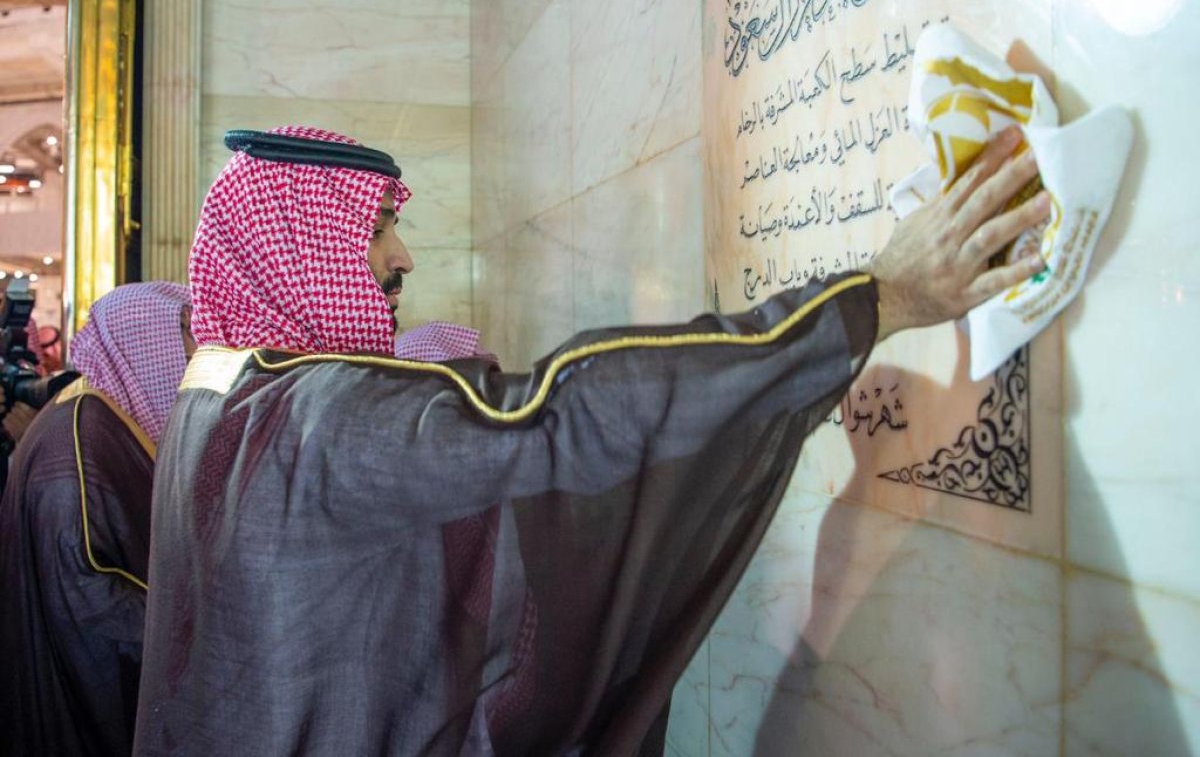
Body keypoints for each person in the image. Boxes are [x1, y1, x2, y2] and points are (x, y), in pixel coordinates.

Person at [135, 123, 1048, 756]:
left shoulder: (219, 392)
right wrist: (875, 302)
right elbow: (560, 422)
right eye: (378, 228)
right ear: (292, 242)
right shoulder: (320, 414)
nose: (401, 258)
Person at [0, 282, 194, 757]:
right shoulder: (79, 450)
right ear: (144, 343)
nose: (201, 354)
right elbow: (99, 618)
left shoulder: (103, 421)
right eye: (191, 336)